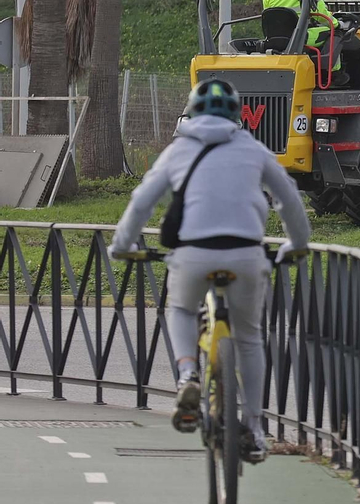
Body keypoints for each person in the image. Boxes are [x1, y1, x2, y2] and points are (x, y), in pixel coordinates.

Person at [110, 79, 311, 463]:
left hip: (193, 255)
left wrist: (122, 246)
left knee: (182, 309)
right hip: (246, 254)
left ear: (192, 112)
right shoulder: (253, 149)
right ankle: (254, 428)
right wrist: (298, 244)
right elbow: (288, 198)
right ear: (237, 115)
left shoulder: (178, 150)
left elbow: (142, 202)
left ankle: (188, 374)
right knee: (249, 338)